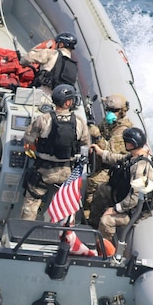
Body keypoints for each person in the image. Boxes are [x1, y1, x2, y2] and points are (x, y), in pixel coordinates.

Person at [20, 84, 90, 221]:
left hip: (44, 170)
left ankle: (23, 231)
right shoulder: (80, 121)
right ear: (68, 102)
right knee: (66, 205)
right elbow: (85, 145)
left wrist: (33, 150)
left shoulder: (44, 119)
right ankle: (64, 234)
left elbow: (28, 138)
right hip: (67, 171)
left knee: (31, 203)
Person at [88, 127, 153, 241]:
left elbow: (134, 198)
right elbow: (119, 159)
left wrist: (115, 209)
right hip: (125, 195)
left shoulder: (141, 169)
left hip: (135, 210)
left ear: (131, 144)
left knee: (106, 221)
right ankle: (92, 226)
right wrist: (101, 152)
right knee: (102, 189)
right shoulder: (135, 156)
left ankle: (103, 249)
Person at [83, 93, 133, 213]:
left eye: (114, 110)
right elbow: (101, 129)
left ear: (121, 111)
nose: (110, 113)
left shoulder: (122, 130)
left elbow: (109, 153)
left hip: (113, 167)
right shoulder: (108, 121)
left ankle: (89, 212)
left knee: (92, 182)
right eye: (108, 110)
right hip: (101, 160)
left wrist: (98, 136)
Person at [22, 32, 78, 97]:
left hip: (42, 94)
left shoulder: (52, 53)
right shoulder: (73, 66)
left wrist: (22, 61)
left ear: (61, 45)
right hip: (58, 100)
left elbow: (28, 57)